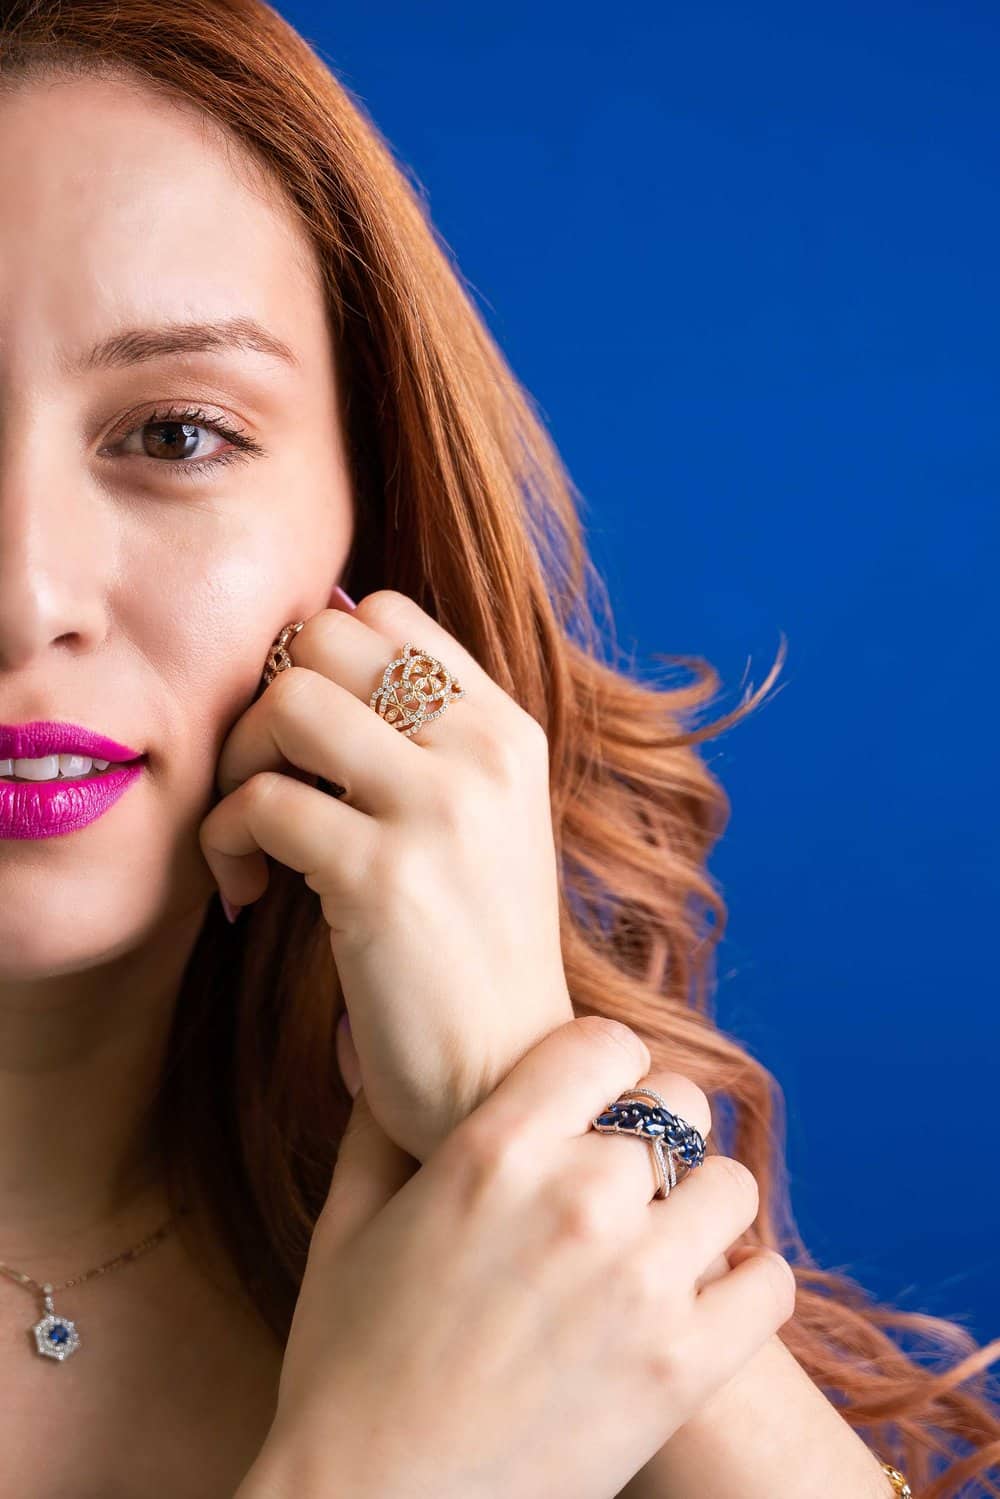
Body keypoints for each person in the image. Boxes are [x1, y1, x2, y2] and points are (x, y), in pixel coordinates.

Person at [0, 3, 996, 1496]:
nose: (26, 597)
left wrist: (515, 1091)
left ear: (365, 530)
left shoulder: (475, 1246)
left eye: (179, 435)